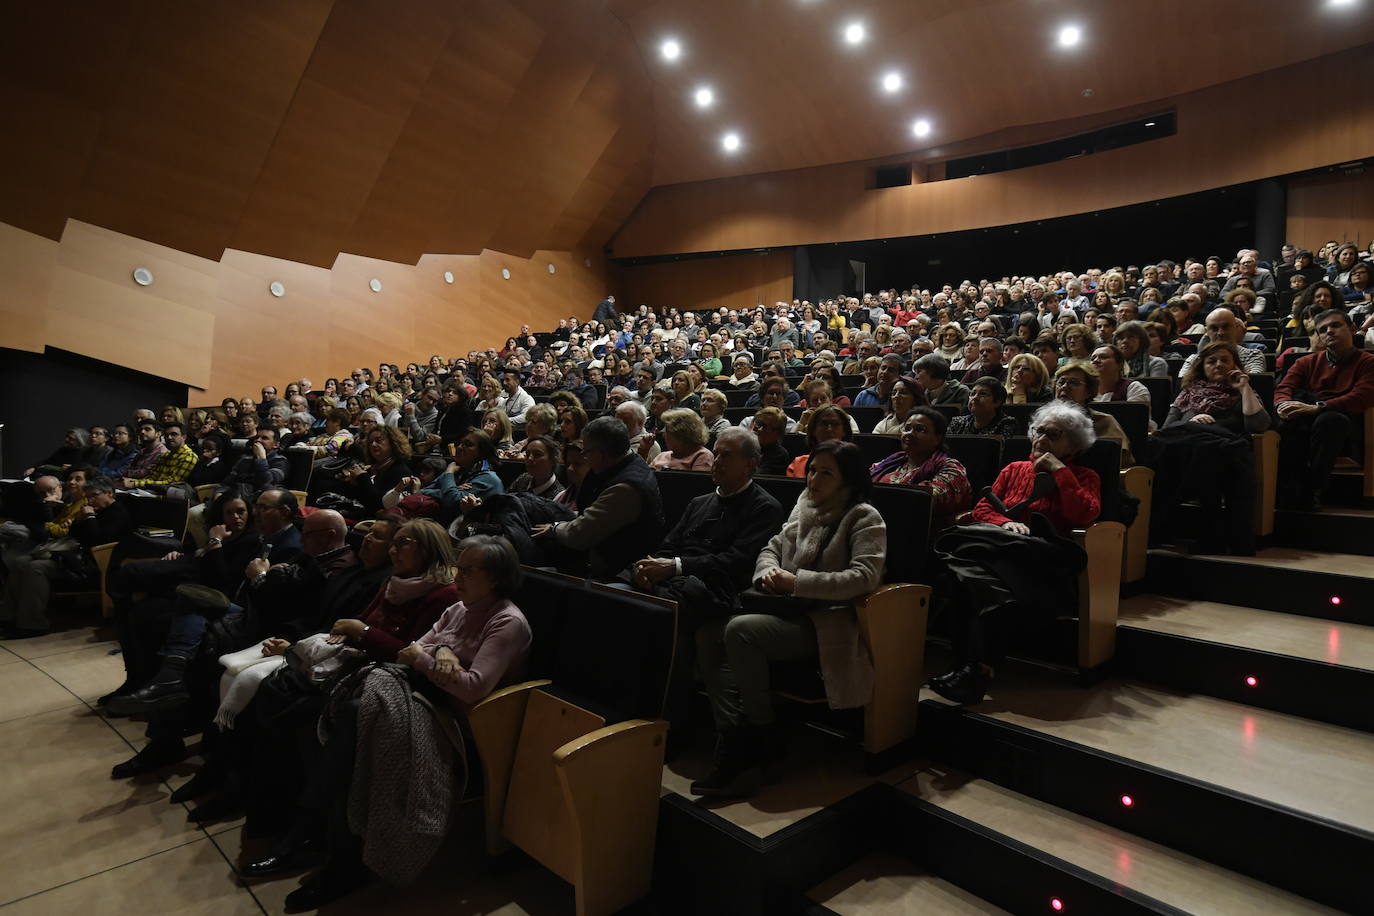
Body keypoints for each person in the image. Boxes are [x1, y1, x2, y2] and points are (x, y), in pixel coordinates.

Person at [692, 441, 886, 798]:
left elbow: (865, 577)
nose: (813, 478)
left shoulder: (864, 517)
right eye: (812, 469)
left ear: (849, 479)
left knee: (740, 630)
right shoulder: (804, 506)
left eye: (826, 472)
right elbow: (771, 547)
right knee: (707, 633)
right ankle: (733, 733)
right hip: (786, 611)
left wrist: (797, 582)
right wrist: (767, 573)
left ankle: (761, 733)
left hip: (828, 623)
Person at [928, 402, 1101, 705]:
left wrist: (1060, 472)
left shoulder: (1084, 476)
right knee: (961, 558)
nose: (1041, 438)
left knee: (962, 573)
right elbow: (983, 509)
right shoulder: (1014, 469)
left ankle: (968, 669)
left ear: (1074, 444)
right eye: (1039, 431)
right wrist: (1006, 522)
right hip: (998, 550)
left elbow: (1083, 515)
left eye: (1054, 434)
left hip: (1038, 558)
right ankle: (973, 668)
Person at [1150, 342, 1271, 554]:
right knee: (1157, 447)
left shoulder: (1243, 392)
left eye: (1225, 360)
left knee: (1207, 452)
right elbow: (1166, 428)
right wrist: (1193, 420)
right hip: (1185, 450)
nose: (1218, 365)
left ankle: (1207, 530)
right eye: (1211, 361)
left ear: (1235, 365)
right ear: (1201, 366)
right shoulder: (1188, 393)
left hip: (1225, 451)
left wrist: (1244, 387)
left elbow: (1258, 425)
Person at [532, 417, 665, 579]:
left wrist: (554, 528)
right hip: (604, 558)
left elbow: (580, 535)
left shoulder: (625, 488)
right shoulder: (630, 462)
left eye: (586, 452)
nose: (585, 457)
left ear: (601, 454)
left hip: (618, 572)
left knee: (536, 573)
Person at [1, 475, 132, 639]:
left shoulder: (118, 514)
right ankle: (8, 617)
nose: (90, 500)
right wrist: (78, 521)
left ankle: (33, 624)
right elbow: (74, 535)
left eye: (94, 495)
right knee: (20, 562)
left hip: (91, 565)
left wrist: (90, 518)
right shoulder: (91, 511)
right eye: (88, 496)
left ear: (110, 493)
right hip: (74, 558)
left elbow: (97, 542)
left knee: (35, 568)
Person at [1276, 309, 1374, 508]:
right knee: (1286, 420)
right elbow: (1284, 388)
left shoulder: (1368, 362)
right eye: (1322, 330)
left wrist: (1319, 407)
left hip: (1349, 422)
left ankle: (1313, 488)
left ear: (1352, 328)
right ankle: (1288, 487)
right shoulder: (1305, 361)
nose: (1329, 331)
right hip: (1307, 416)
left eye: (1336, 325)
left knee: (1330, 421)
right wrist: (1282, 405)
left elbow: (1362, 396)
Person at [868, 407, 972, 528]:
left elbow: (924, 499)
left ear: (937, 439)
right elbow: (861, 480)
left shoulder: (951, 468)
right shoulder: (893, 461)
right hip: (879, 522)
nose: (910, 433)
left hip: (922, 531)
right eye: (907, 428)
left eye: (920, 430)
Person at [1053, 361, 1135, 468]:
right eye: (1061, 382)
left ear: (1089, 391)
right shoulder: (1043, 419)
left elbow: (1122, 461)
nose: (1064, 387)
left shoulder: (1103, 421)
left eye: (1073, 383)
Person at [947, 377, 1019, 437]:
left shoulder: (1007, 424)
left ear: (997, 402)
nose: (975, 398)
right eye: (973, 393)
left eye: (983, 394)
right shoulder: (958, 422)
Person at [649, 409, 715, 471]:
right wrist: (644, 451)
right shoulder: (662, 455)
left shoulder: (702, 455)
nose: (664, 436)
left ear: (681, 433)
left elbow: (696, 482)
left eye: (667, 431)